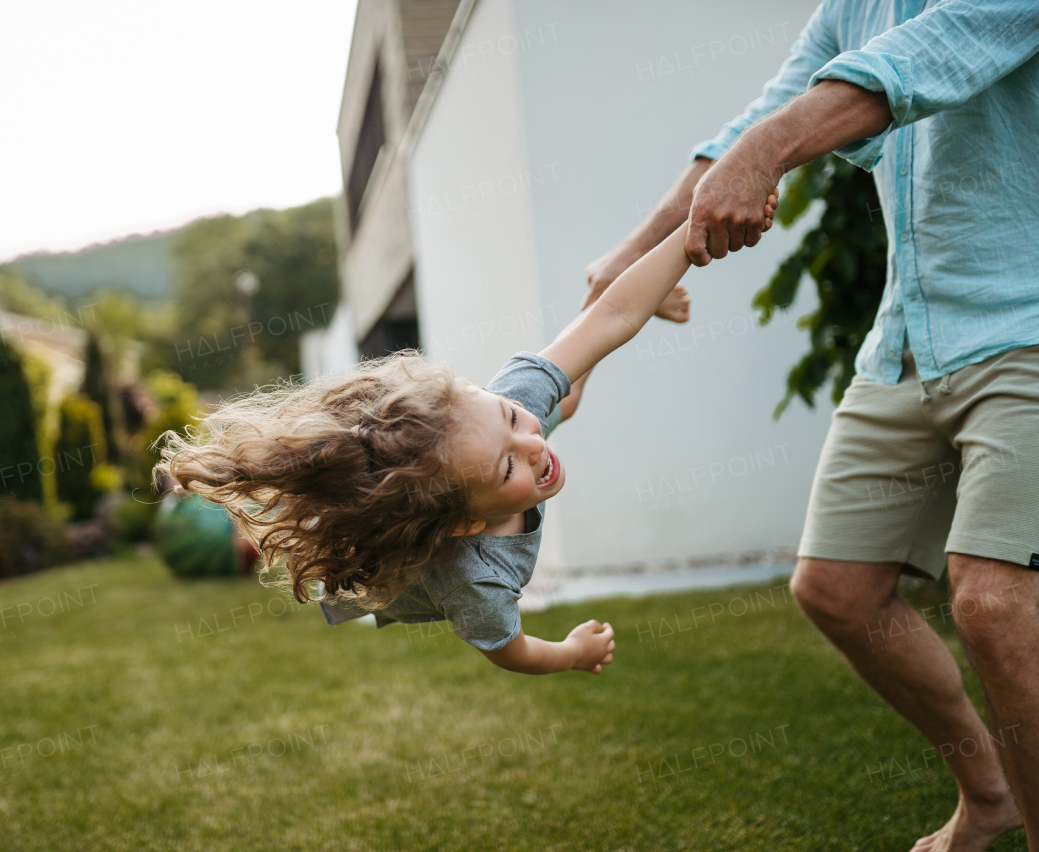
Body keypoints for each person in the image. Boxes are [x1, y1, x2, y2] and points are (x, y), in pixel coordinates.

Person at [585, 3, 1039, 850]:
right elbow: (758, 120)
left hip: (1028, 326)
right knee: (835, 586)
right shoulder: (852, 6)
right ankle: (990, 796)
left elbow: (913, 64)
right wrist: (631, 256)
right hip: (909, 338)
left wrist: (765, 155)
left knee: (993, 601)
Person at [158, 200, 775, 675]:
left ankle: (601, 279)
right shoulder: (476, 581)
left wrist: (692, 233)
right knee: (361, 525)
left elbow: (609, 323)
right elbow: (512, 652)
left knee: (566, 393)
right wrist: (573, 652)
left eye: (511, 422)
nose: (535, 446)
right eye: (508, 469)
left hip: (475, 455)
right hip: (401, 566)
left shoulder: (507, 408)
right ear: (466, 522)